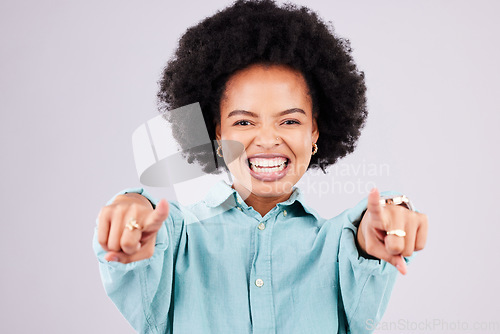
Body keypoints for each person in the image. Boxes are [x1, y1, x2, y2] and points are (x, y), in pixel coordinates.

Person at [93, 1, 428, 333]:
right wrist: (130, 208)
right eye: (243, 122)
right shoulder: (176, 238)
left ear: (315, 131)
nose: (267, 140)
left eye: (290, 120)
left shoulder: (339, 247)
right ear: (217, 133)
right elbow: (141, 230)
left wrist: (389, 214)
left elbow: (366, 234)